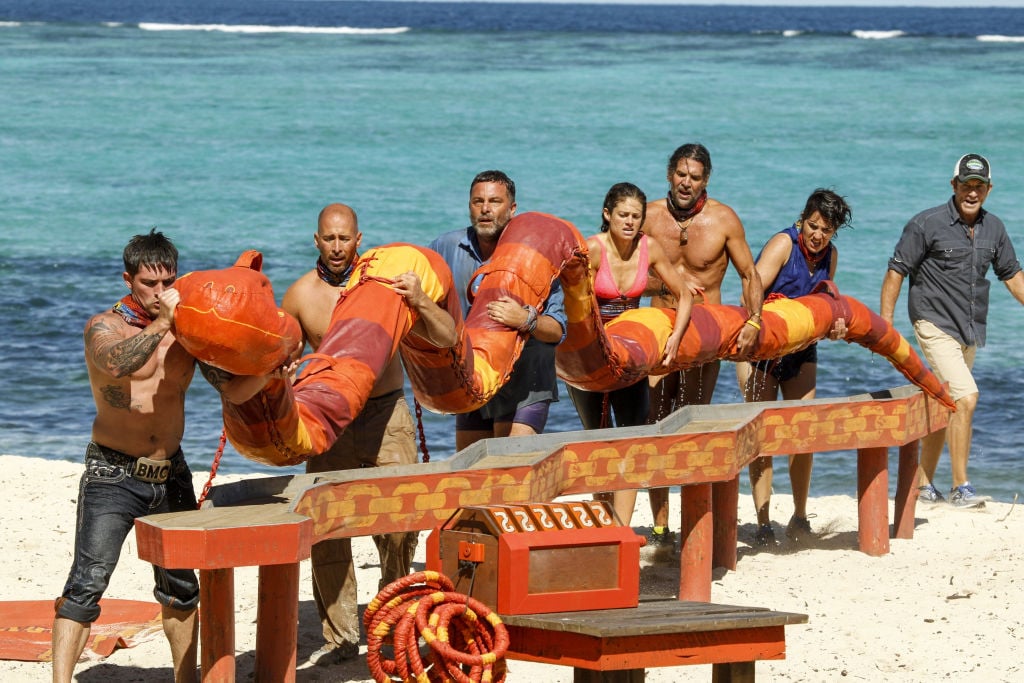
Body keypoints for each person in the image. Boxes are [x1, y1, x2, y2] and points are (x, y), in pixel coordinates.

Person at [280, 202, 455, 667]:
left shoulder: (387, 286)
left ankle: (392, 618)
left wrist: (419, 300)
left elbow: (449, 337)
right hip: (329, 418)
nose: (337, 247)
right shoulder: (299, 296)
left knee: (400, 518)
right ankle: (340, 636)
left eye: (345, 239)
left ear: (360, 240)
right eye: (329, 239)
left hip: (386, 411)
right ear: (316, 240)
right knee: (327, 524)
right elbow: (280, 366)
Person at [53, 229, 200, 683]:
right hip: (112, 473)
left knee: (180, 588)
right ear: (128, 279)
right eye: (149, 285)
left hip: (171, 471)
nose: (160, 294)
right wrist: (163, 323)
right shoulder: (104, 326)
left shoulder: (189, 329)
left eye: (168, 283)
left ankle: (185, 678)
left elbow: (233, 383)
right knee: (86, 585)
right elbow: (116, 363)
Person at [880, 153, 1024, 508]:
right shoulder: (926, 224)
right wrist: (885, 327)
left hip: (968, 330)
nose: (971, 192)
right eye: (965, 184)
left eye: (979, 186)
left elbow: (1012, 276)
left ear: (988, 189)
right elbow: (896, 271)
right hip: (932, 322)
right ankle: (962, 486)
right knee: (965, 398)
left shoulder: (996, 229)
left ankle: (922, 485)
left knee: (947, 404)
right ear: (953, 185)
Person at [642, 143, 765, 546]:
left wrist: (754, 320)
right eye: (681, 174)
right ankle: (660, 528)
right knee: (653, 428)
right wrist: (670, 285)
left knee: (692, 429)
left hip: (704, 339)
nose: (686, 183)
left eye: (695, 177)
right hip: (659, 334)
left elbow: (749, 275)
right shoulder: (647, 216)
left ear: (706, 180)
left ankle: (695, 523)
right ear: (668, 174)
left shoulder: (723, 220)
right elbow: (622, 274)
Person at [567, 182, 693, 525]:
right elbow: (572, 305)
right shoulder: (592, 250)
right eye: (623, 215)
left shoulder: (649, 248)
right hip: (591, 359)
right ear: (607, 215)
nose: (629, 222)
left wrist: (674, 341)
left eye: (636, 217)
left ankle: (620, 528)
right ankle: (601, 521)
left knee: (633, 440)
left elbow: (684, 294)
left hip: (632, 356)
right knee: (599, 441)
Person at [736, 189, 853, 546]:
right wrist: (759, 323)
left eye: (826, 230)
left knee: (804, 435)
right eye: (814, 226)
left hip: (801, 351)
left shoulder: (830, 255)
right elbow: (750, 286)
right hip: (760, 351)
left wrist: (837, 324)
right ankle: (763, 523)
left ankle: (800, 517)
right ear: (803, 219)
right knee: (763, 439)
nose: (818, 235)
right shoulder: (783, 245)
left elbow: (827, 301)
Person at [429, 170, 568, 450]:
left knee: (509, 470)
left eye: (494, 201)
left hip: (525, 378)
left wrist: (526, 320)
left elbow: (557, 331)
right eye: (477, 201)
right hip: (472, 375)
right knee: (474, 475)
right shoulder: (446, 247)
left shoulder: (536, 255)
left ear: (512, 209)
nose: (485, 209)